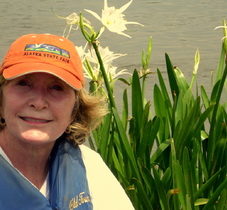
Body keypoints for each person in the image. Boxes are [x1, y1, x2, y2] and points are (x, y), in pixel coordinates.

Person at [0, 33, 134, 210]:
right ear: (1, 101)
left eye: (57, 87)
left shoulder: (89, 165)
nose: (38, 103)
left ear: (75, 110)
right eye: (24, 83)